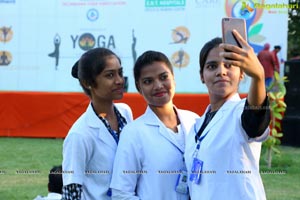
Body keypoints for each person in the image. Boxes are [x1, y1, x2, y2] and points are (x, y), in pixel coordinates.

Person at [185, 32, 270, 200]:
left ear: (242, 73)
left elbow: (255, 117)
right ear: (202, 75)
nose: (221, 72)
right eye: (212, 66)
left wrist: (258, 77)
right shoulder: (196, 126)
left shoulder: (240, 112)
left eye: (229, 65)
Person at [110, 50, 199, 200]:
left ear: (173, 78)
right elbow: (121, 194)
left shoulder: (195, 121)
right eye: (148, 81)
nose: (158, 86)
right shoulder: (133, 133)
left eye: (164, 77)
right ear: (139, 87)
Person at [62, 47, 133, 200]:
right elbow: (71, 191)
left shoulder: (125, 113)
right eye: (110, 75)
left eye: (120, 73)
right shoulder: (79, 135)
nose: (119, 80)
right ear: (88, 83)